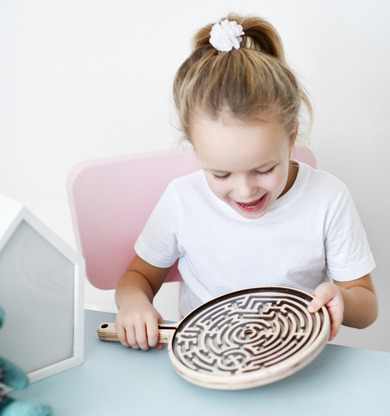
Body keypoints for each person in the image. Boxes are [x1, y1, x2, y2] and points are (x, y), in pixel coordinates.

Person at [115, 14, 377, 350]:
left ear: (292, 136)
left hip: (292, 358)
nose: (245, 191)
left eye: (264, 169)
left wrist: (341, 297)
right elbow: (137, 278)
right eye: (221, 174)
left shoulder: (329, 198)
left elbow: (367, 306)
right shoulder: (182, 199)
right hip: (206, 359)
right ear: (196, 149)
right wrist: (134, 303)